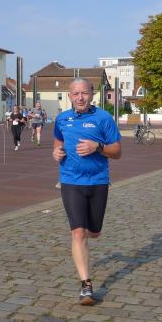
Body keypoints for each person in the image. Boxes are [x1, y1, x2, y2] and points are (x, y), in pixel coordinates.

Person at [53, 78, 122, 305]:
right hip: (71, 181)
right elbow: (57, 142)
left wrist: (97, 147)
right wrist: (56, 152)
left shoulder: (104, 118)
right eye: (75, 94)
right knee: (78, 232)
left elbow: (117, 152)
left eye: (84, 93)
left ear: (92, 94)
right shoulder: (62, 119)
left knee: (94, 232)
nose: (80, 97)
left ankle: (93, 231)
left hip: (98, 182)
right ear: (69, 96)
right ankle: (86, 285)